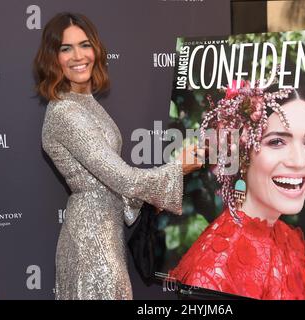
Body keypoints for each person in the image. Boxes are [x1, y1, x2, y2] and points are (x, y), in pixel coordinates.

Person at [35, 12, 202, 300]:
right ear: (53, 59)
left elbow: (112, 180)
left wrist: (150, 197)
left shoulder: (85, 102)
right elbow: (123, 178)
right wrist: (177, 169)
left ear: (96, 50)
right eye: (66, 48)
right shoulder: (65, 112)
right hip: (91, 243)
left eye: (84, 45)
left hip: (104, 232)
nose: (78, 55)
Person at [170, 80, 305, 300]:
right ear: (241, 154)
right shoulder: (217, 270)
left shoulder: (287, 239)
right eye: (277, 141)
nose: (299, 162)